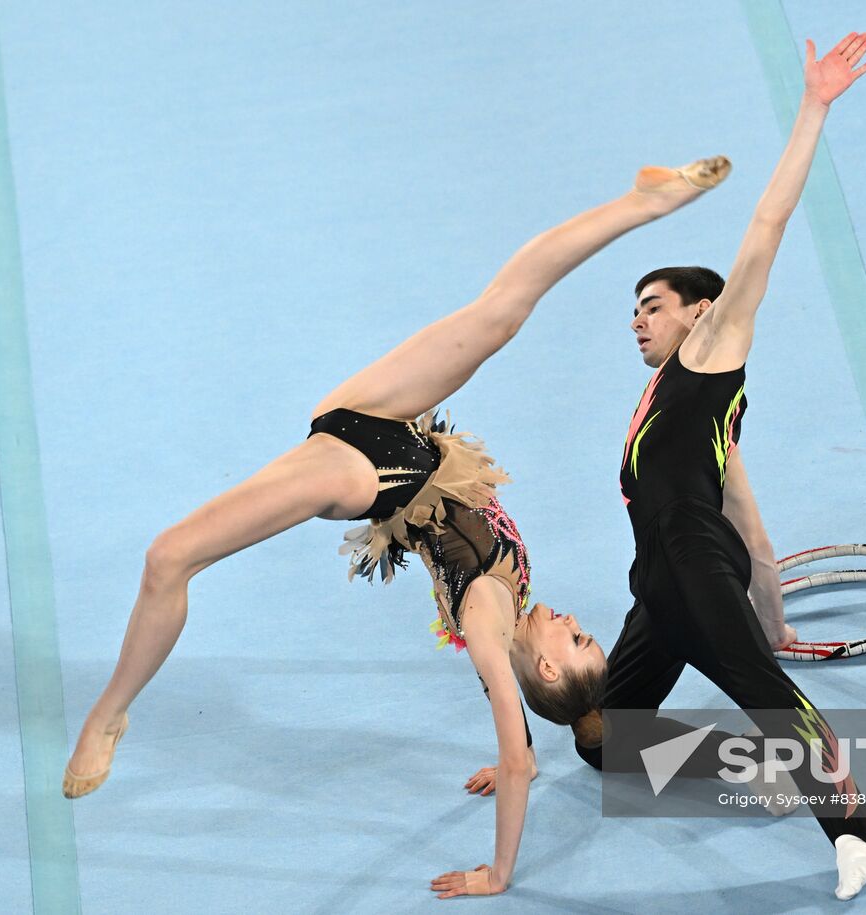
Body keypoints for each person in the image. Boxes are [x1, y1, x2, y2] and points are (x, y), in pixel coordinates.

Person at [59, 155, 731, 899]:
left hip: (365, 478)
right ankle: (645, 202)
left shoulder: (487, 622)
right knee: (504, 307)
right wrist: (526, 729)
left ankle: (108, 715)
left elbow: (520, 762)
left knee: (168, 557)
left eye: (574, 638)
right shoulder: (509, 639)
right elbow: (515, 721)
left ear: (544, 668)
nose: (573, 619)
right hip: (393, 428)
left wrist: (498, 872)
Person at [579, 32, 866, 902]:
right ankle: (757, 768)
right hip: (663, 579)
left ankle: (859, 833)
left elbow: (767, 223)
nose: (638, 322)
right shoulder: (683, 406)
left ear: (700, 313)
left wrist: (814, 107)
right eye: (634, 310)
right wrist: (773, 607)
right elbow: (745, 516)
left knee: (762, 688)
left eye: (652, 307)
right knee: (601, 734)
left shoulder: (714, 355)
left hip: (686, 561)